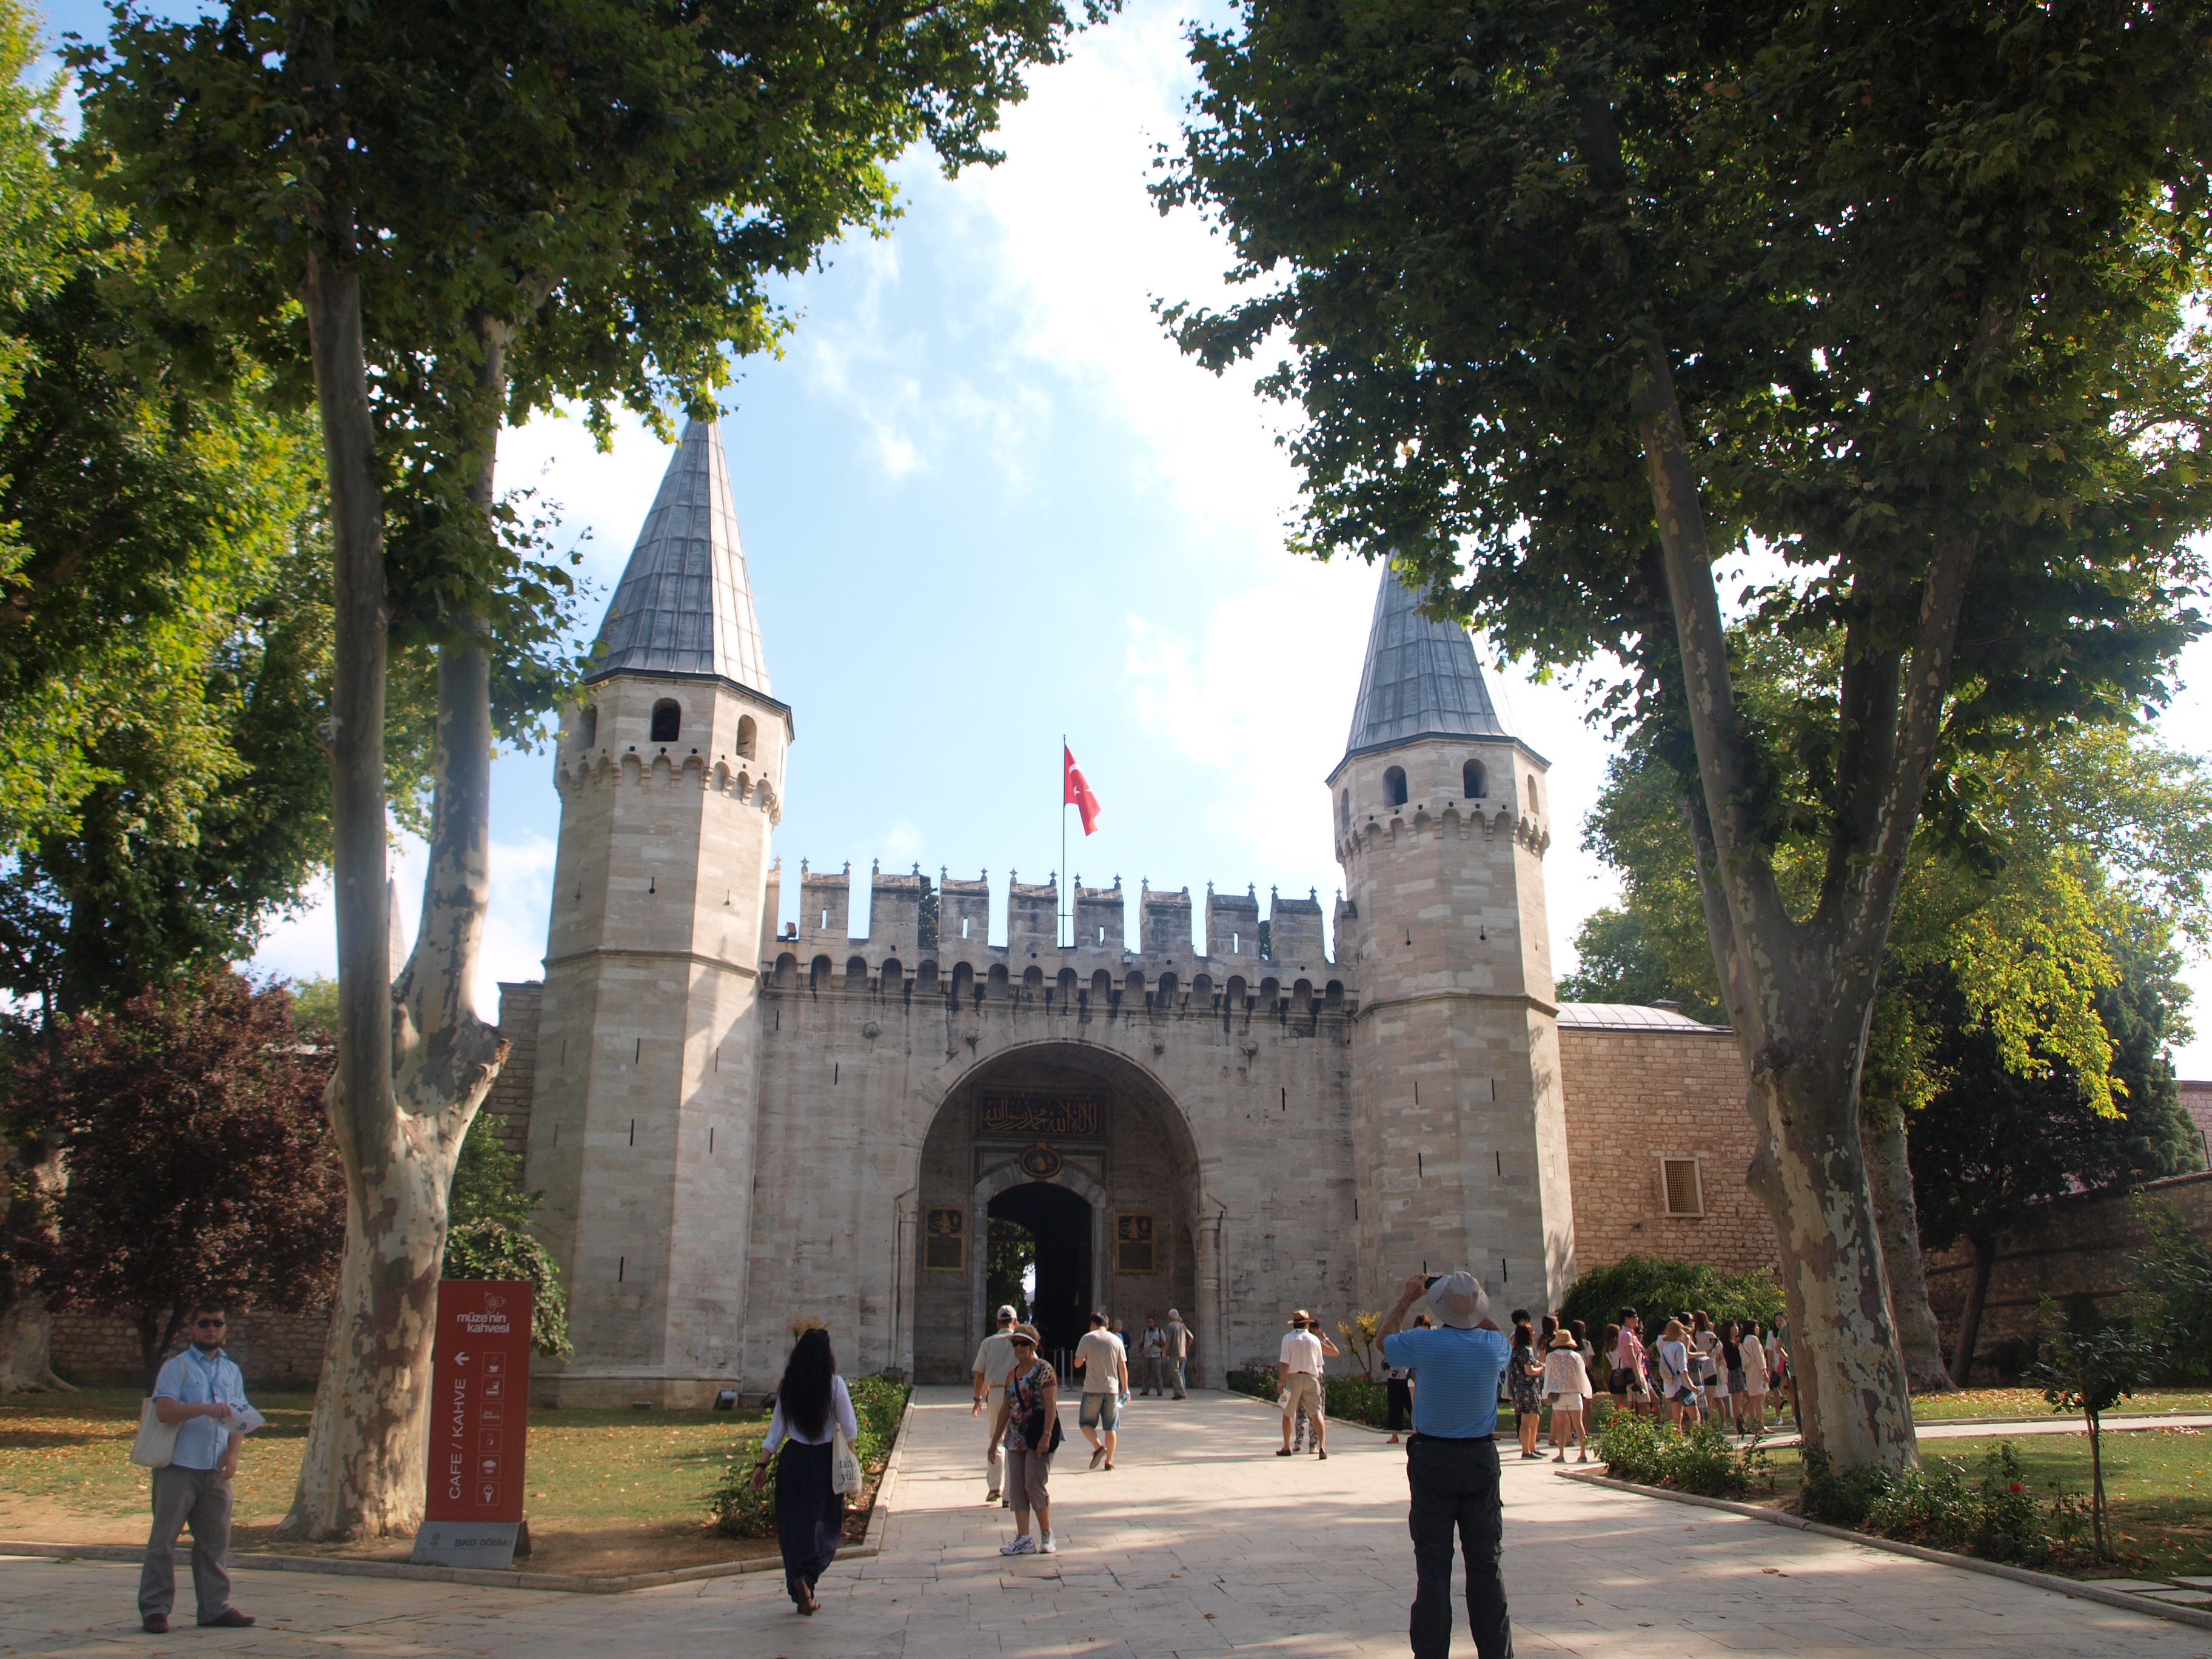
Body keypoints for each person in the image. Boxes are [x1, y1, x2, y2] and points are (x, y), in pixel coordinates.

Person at [1380, 1271, 1512, 1659]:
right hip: (1479, 1460)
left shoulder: (1422, 1343)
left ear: (1436, 1306)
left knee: (1434, 1570)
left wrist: (1407, 1298)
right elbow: (1500, 1334)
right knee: (1487, 1565)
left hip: (1434, 1459)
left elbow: (1382, 1342)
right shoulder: (1493, 1346)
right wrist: (1473, 1308)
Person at [140, 1300, 256, 1633]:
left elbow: (239, 1417)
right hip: (179, 1465)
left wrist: (232, 1454)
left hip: (215, 1470)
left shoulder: (231, 1370)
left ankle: (214, 1608)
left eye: (217, 1323)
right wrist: (205, 1408)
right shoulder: (176, 1368)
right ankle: (155, 1609)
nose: (211, 1329)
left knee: (215, 1543)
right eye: (204, 1323)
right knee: (164, 1541)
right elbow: (165, 1411)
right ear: (192, 1328)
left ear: (225, 1328)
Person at [752, 1326, 859, 1614]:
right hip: (825, 1461)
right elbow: (849, 1429)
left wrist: (762, 1465)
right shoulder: (834, 1385)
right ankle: (807, 1579)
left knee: (793, 1525)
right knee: (827, 1522)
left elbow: (776, 1432)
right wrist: (851, 1462)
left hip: (793, 1460)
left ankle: (798, 1582)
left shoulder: (789, 1386)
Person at [991, 1326, 1061, 1555]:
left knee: (1034, 1483)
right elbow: (1005, 1408)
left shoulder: (1044, 1370)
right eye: (1015, 1344)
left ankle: (1047, 1534)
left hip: (1039, 1434)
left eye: (1023, 1343)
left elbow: (1051, 1406)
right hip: (1016, 1437)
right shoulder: (1012, 1374)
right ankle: (1024, 1539)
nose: (1019, 1348)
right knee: (1018, 1489)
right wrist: (994, 1442)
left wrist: (1047, 1436)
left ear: (1033, 1345)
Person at [971, 1304, 1021, 1504]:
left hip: (997, 1393)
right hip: (1018, 1393)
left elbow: (979, 1374)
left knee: (996, 1439)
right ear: (1015, 1322)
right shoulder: (1020, 1341)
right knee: (1014, 1443)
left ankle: (994, 1486)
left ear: (998, 1322)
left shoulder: (988, 1343)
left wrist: (977, 1399)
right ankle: (1009, 1494)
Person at [1277, 1309, 1339, 1458]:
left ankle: (1287, 1447)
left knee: (1288, 1413)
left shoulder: (1288, 1339)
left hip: (1294, 1378)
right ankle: (1322, 1447)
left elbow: (1284, 1362)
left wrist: (1281, 1382)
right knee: (1317, 1414)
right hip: (1312, 1378)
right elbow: (1319, 1362)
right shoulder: (1315, 1340)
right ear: (1307, 1324)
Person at [1072, 1312, 1129, 1470]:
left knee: (1085, 1423)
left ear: (1092, 1324)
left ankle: (1098, 1446)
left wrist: (1083, 1359)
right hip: (1112, 1389)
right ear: (1108, 1325)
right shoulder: (1116, 1340)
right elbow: (1122, 1367)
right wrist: (1125, 1389)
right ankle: (1109, 1462)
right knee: (1111, 1427)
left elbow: (1077, 1364)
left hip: (1092, 1388)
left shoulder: (1087, 1338)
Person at [1541, 1330, 1592, 1463]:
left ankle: (1561, 1454)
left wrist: (1545, 1392)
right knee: (1579, 1425)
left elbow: (1548, 1376)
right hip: (1575, 1393)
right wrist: (1585, 1391)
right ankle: (1583, 1453)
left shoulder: (1551, 1357)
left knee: (1561, 1425)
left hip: (1558, 1394)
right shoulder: (1576, 1356)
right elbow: (1582, 1375)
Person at [1384, 1313, 1429, 1444]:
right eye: (1421, 1324)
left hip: (1410, 1377)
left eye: (1425, 1324)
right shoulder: (1406, 1339)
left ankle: (1419, 1432)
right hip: (1395, 1377)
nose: (1423, 1327)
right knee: (1394, 1407)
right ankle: (1395, 1434)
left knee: (1414, 1407)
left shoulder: (1426, 1339)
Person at [1507, 1319, 1543, 1458]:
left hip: (1521, 1389)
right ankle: (1526, 1450)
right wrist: (1541, 1368)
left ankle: (1532, 1447)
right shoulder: (1526, 1350)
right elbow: (1529, 1371)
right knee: (1527, 1420)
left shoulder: (1516, 1350)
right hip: (1527, 1389)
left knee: (1534, 1418)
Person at [1657, 1318, 1698, 1427]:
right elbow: (1683, 1368)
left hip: (1670, 1388)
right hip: (1683, 1386)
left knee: (1677, 1419)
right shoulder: (1680, 1346)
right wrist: (1691, 1385)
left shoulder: (1666, 1347)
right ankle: (1698, 1441)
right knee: (1695, 1417)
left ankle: (1677, 1441)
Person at [1737, 1322, 1769, 1434]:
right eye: (1757, 1327)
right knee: (1760, 1399)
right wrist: (1764, 1371)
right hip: (1757, 1370)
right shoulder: (1753, 1339)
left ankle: (1756, 1424)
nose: (1759, 1329)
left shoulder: (1743, 1341)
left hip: (1750, 1371)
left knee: (1754, 1399)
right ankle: (1761, 1426)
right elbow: (1759, 1357)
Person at [1164, 1307, 1193, 1398]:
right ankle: (1177, 1393)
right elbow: (1191, 1337)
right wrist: (1186, 1349)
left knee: (1175, 1373)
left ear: (1171, 1317)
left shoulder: (1171, 1326)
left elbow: (1168, 1340)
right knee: (1178, 1374)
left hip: (1174, 1353)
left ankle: (1181, 1393)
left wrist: (1164, 1350)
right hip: (1182, 1353)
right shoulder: (1182, 1325)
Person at [1138, 1316, 1167, 1396]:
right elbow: (1141, 1342)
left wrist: (1157, 1343)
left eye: (1151, 1322)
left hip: (1156, 1356)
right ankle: (1145, 1390)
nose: (1150, 1324)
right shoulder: (1145, 1333)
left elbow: (1165, 1342)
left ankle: (1160, 1391)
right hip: (1146, 1356)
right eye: (1148, 1323)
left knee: (1157, 1374)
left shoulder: (1160, 1332)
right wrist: (1140, 1348)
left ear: (1155, 1323)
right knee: (1146, 1374)